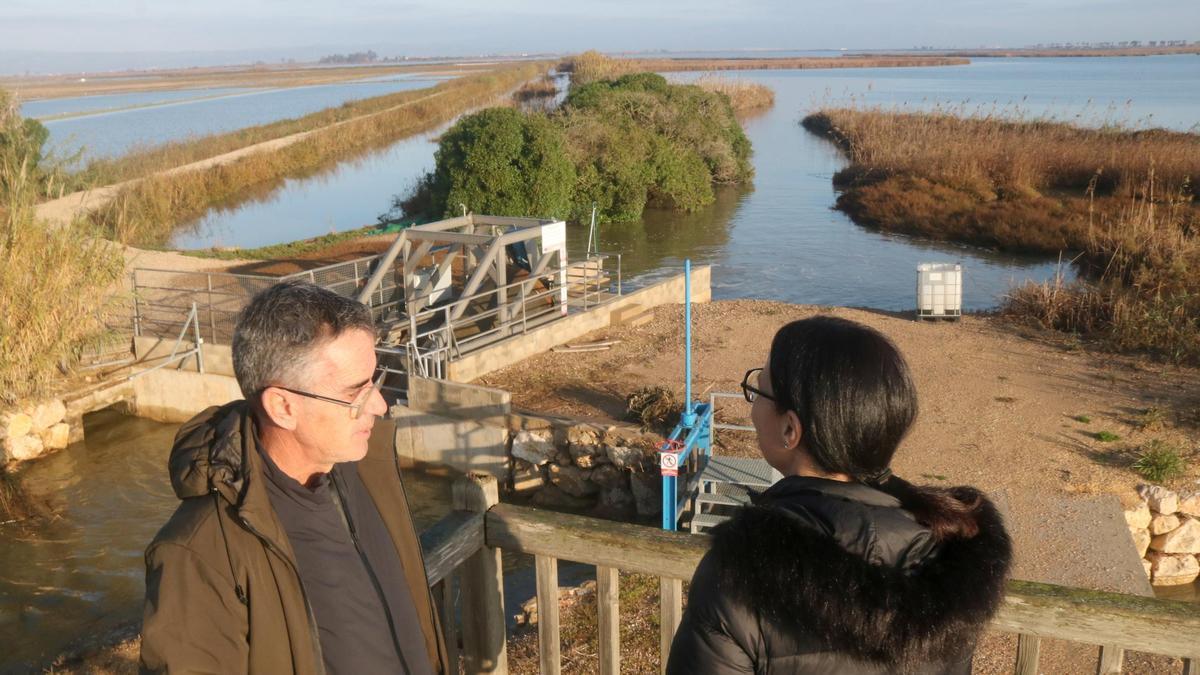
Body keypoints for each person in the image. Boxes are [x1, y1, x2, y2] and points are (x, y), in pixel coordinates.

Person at [666, 316, 1012, 675]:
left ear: (790, 429)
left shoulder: (738, 575)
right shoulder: (948, 569)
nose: (752, 407)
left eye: (760, 391)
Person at [140, 280, 448, 674]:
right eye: (355, 392)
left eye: (375, 380)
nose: (380, 404)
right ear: (283, 407)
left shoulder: (362, 469)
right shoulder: (199, 553)